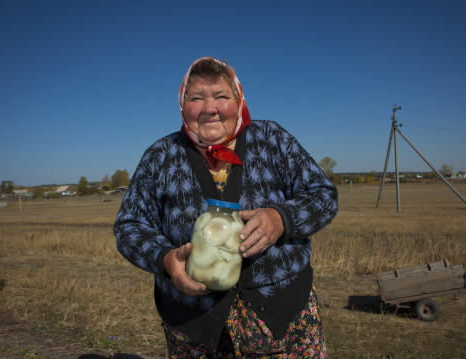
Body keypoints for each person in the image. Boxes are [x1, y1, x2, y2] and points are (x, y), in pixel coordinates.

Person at [114, 56, 338, 358]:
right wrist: (166, 260)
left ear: (239, 100)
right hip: (193, 327)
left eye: (221, 96)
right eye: (196, 98)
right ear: (182, 105)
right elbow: (129, 227)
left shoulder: (271, 139)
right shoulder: (160, 156)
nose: (210, 108)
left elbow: (323, 195)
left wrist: (280, 218)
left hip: (283, 320)